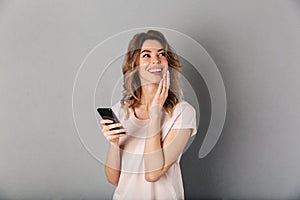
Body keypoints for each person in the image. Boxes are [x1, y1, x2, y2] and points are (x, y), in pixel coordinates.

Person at [100, 30, 197, 200]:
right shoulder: (121, 110)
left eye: (161, 54)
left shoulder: (183, 113)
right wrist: (114, 143)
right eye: (146, 55)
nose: (155, 60)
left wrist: (155, 114)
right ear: (134, 66)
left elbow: (153, 173)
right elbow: (114, 179)